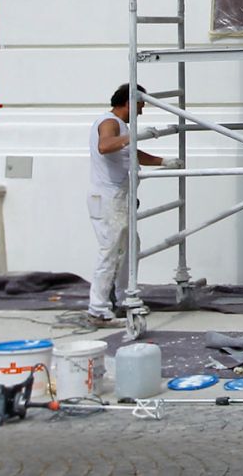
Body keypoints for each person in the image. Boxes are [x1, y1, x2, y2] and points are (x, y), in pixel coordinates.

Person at [88, 84, 162, 325]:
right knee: (110, 252)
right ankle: (98, 309)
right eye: (140, 105)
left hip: (118, 199)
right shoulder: (109, 122)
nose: (140, 112)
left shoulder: (120, 127)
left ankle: (123, 299)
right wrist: (133, 135)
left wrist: (164, 161)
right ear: (128, 102)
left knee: (130, 247)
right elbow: (105, 146)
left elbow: (132, 153)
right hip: (109, 199)